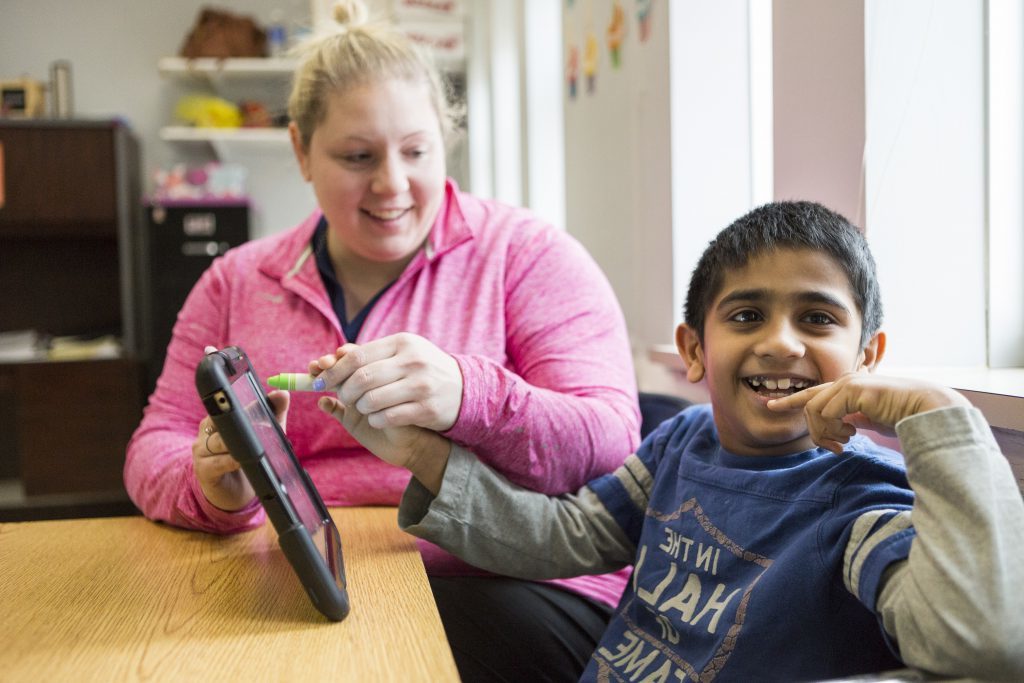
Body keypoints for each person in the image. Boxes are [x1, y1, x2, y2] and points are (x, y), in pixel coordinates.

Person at [123, 1, 640, 680]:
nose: (392, 184)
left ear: (445, 142)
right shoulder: (236, 281)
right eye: (357, 156)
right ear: (302, 151)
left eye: (417, 151)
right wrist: (215, 486)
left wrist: (467, 396)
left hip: (515, 582)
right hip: (300, 574)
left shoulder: (528, 255)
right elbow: (155, 441)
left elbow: (610, 445)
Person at [317, 201, 1024, 681]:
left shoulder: (863, 503)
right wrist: (418, 451)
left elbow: (985, 640)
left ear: (868, 353)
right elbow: (562, 535)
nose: (780, 342)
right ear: (693, 349)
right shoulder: (686, 441)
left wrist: (936, 411)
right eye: (747, 314)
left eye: (816, 318)